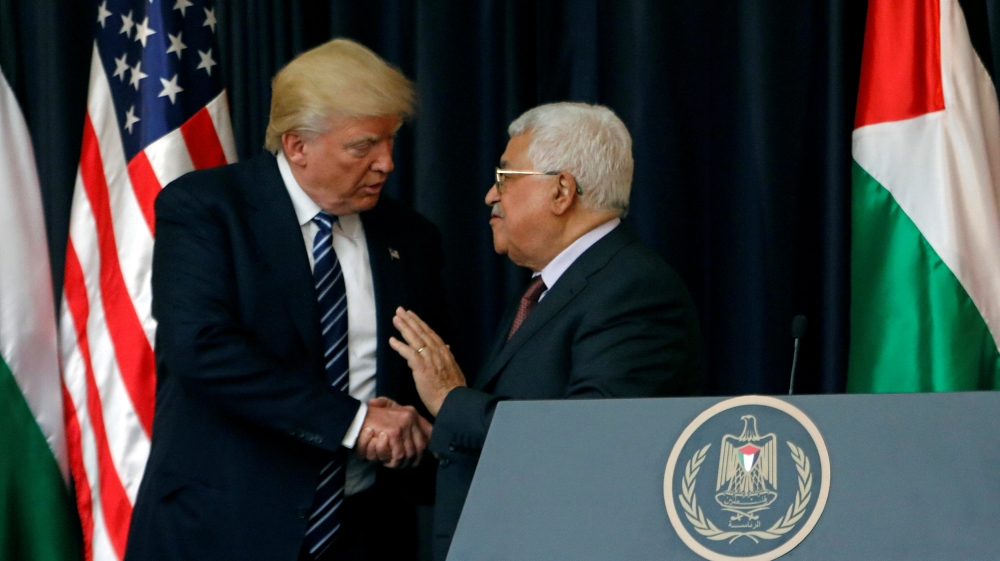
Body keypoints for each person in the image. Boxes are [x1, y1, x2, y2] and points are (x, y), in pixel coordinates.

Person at [125, 39, 445, 561]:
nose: (386, 163)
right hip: (224, 531)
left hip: (364, 533)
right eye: (363, 145)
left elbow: (424, 365)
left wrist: (420, 426)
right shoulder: (207, 210)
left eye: (391, 142)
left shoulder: (410, 237)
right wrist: (354, 422)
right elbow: (201, 349)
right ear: (297, 145)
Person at [387, 102, 704, 561]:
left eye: (505, 178)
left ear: (561, 191)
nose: (489, 197)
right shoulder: (549, 287)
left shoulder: (635, 290)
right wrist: (438, 431)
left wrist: (452, 401)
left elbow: (586, 442)